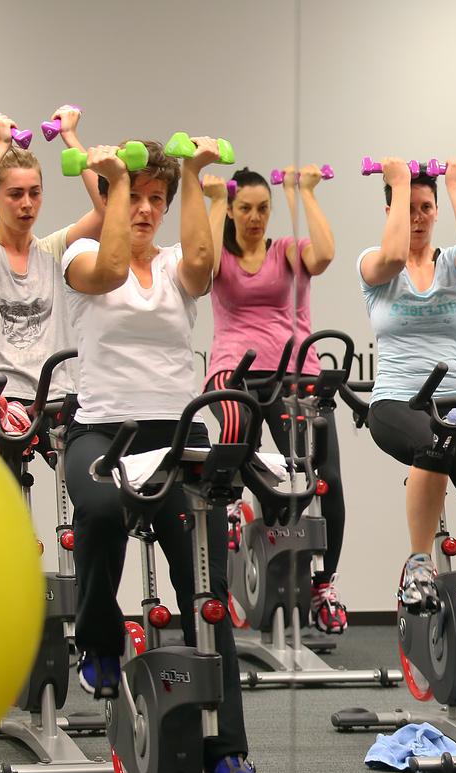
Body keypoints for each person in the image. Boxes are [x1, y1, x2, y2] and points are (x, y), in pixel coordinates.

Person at [61, 137, 257, 773]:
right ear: (114, 196)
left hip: (173, 436)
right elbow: (113, 267)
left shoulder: (177, 264)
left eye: (155, 199)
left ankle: (226, 749)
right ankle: (99, 639)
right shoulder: (82, 255)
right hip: (102, 432)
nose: (144, 210)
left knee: (207, 591)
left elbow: (203, 265)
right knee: (96, 507)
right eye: (134, 197)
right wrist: (114, 180)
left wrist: (199, 175)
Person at [357, 157, 456, 689]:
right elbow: (397, 251)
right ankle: (419, 564)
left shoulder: (454, 265)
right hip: (398, 404)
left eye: (428, 208)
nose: (420, 217)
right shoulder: (375, 265)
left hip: (455, 402)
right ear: (391, 210)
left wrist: (455, 186)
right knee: (433, 446)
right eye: (409, 208)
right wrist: (401, 182)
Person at [201, 166, 344, 632]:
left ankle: (324, 584)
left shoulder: (285, 251)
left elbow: (324, 254)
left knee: (323, 476)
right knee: (236, 430)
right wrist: (215, 198)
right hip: (235, 369)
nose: (256, 217)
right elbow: (198, 266)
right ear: (233, 210)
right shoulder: (219, 255)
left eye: (263, 208)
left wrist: (302, 194)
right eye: (245, 208)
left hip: (294, 371)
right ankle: (230, 519)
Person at [0, 105, 102, 408]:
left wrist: (70, 137)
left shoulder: (54, 249)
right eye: (15, 194)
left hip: (53, 395)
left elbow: (109, 211)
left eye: (35, 192)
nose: (27, 203)